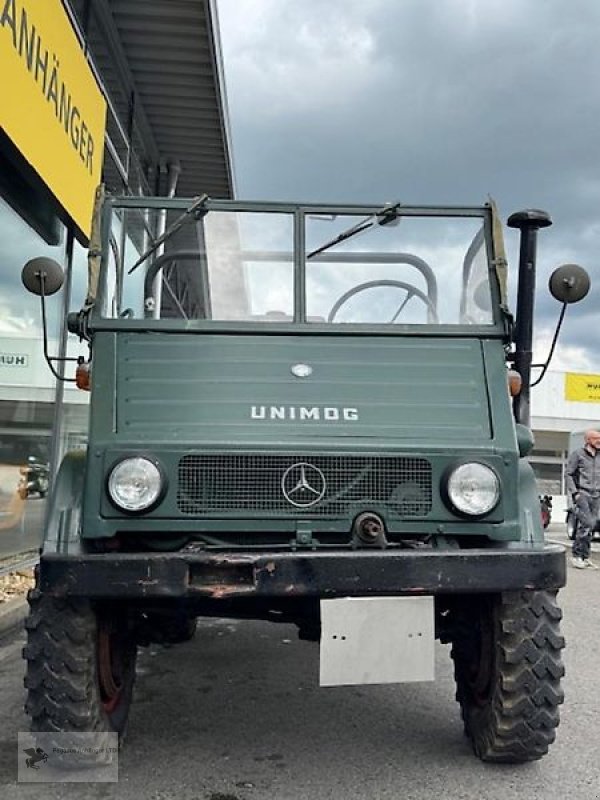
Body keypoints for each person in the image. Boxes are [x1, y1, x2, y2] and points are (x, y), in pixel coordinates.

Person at [565, 429, 600, 569]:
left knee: (590, 526)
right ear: (587, 440)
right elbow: (568, 474)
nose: (599, 441)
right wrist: (575, 493)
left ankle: (585, 557)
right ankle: (577, 555)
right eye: (596, 438)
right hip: (583, 494)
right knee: (587, 524)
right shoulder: (578, 454)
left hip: (596, 495)